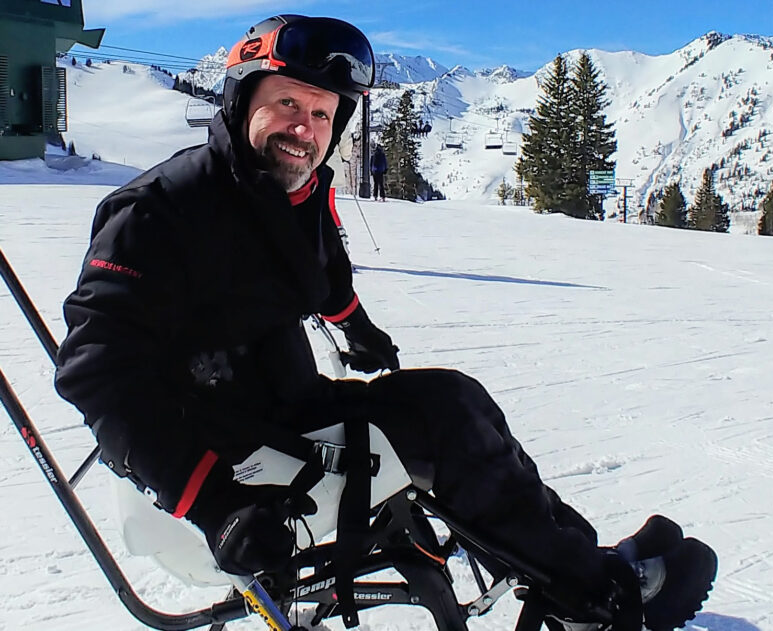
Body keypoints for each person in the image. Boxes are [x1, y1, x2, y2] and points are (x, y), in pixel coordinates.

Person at [53, 14, 714, 631]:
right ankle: (596, 594)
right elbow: (97, 370)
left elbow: (320, 271)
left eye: (321, 113)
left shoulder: (284, 192)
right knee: (449, 421)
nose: (304, 127)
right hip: (229, 456)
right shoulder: (160, 213)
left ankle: (572, 557)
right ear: (241, 96)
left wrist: (354, 325)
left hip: (282, 407)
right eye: (287, 102)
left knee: (458, 399)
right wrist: (213, 501)